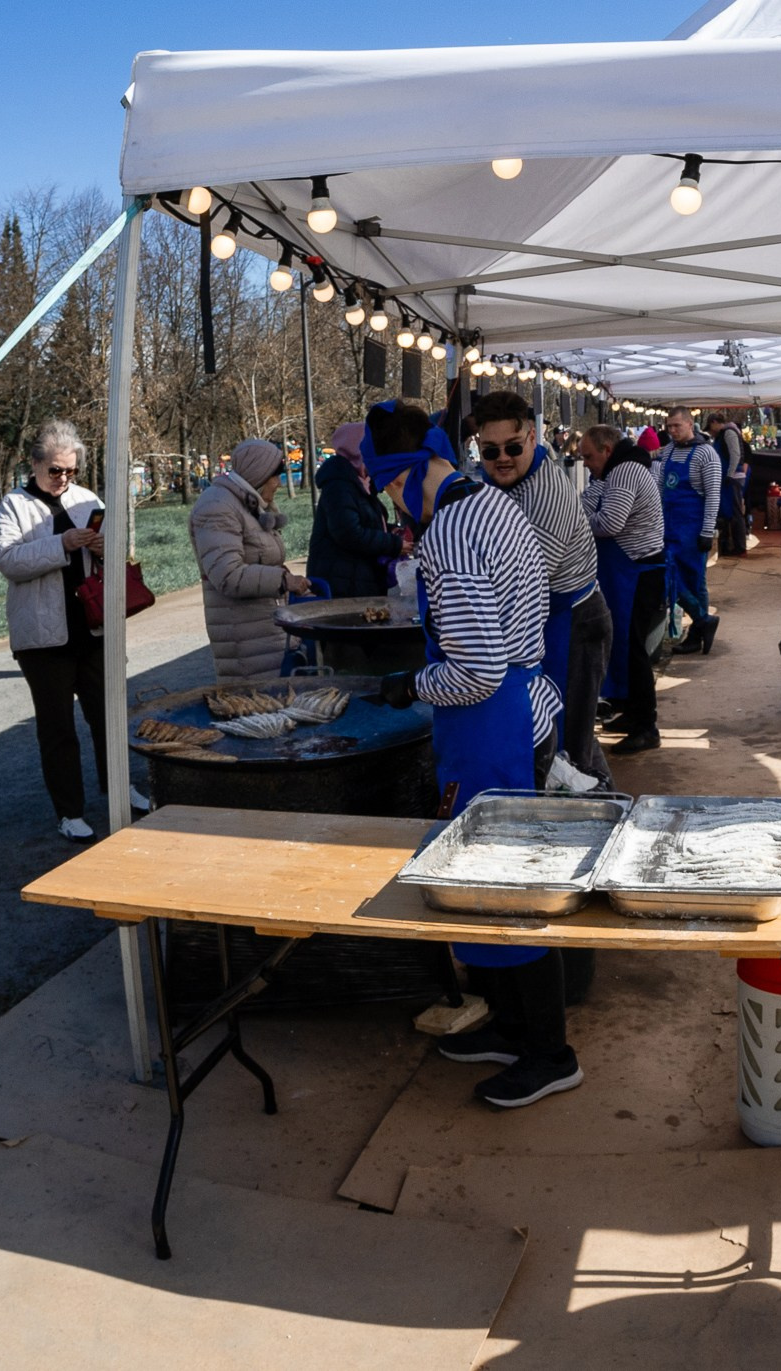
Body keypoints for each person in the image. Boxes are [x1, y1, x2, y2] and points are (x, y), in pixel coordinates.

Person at [375, 408, 578, 1108]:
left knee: (504, 889)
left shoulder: (450, 537)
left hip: (490, 723)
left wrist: (411, 684)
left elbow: (479, 668)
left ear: (403, 479)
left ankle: (549, 1052)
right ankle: (514, 1028)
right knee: (494, 881)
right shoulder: (491, 503)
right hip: (526, 706)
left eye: (390, 493)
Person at [471, 388, 613, 784]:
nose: (501, 459)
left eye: (512, 448)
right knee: (570, 734)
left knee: (568, 750)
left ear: (532, 437)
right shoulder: (503, 481)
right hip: (552, 620)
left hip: (574, 621)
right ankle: (612, 807)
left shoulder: (545, 494)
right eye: (490, 450)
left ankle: (600, 820)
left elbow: (524, 586)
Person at [0, 419, 110, 842]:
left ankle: (117, 789)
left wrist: (102, 546)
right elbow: (7, 560)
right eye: (55, 470)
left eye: (71, 471)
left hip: (92, 629)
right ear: (35, 464)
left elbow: (115, 551)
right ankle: (69, 811)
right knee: (58, 729)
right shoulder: (14, 505)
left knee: (107, 716)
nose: (63, 479)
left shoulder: (86, 498)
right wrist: (62, 545)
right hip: (43, 639)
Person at [191, 439, 315, 684]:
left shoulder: (249, 503)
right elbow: (227, 575)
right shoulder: (217, 507)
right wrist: (283, 580)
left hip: (264, 632)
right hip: (245, 642)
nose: (278, 484)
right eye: (275, 476)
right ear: (259, 474)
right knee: (262, 710)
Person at [579, 422, 667, 755]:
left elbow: (609, 523)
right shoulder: (611, 473)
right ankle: (631, 714)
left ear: (606, 450)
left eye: (589, 456)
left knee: (633, 650)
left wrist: (574, 525)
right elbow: (590, 503)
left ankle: (647, 726)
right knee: (622, 645)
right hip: (628, 570)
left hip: (637, 572)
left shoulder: (625, 471)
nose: (586, 463)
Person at [307, 421, 406, 597]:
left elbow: (365, 521)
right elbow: (349, 532)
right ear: (357, 450)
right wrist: (393, 544)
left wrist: (391, 530)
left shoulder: (361, 483)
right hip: (342, 584)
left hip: (358, 579)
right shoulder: (339, 485)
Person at [655, 408, 723, 656]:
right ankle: (703, 620)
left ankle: (697, 633)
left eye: (676, 426)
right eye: (668, 427)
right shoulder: (670, 450)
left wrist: (707, 531)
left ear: (690, 424)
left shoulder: (707, 454)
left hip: (693, 529)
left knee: (695, 582)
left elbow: (713, 495)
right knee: (668, 576)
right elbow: (662, 487)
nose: (672, 431)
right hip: (670, 525)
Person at [713, 411, 751, 556]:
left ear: (715, 423)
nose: (711, 432)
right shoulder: (725, 433)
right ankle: (734, 545)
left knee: (735, 512)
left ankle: (740, 547)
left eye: (710, 428)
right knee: (732, 511)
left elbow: (735, 454)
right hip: (731, 477)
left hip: (733, 478)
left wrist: (729, 474)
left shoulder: (728, 433)